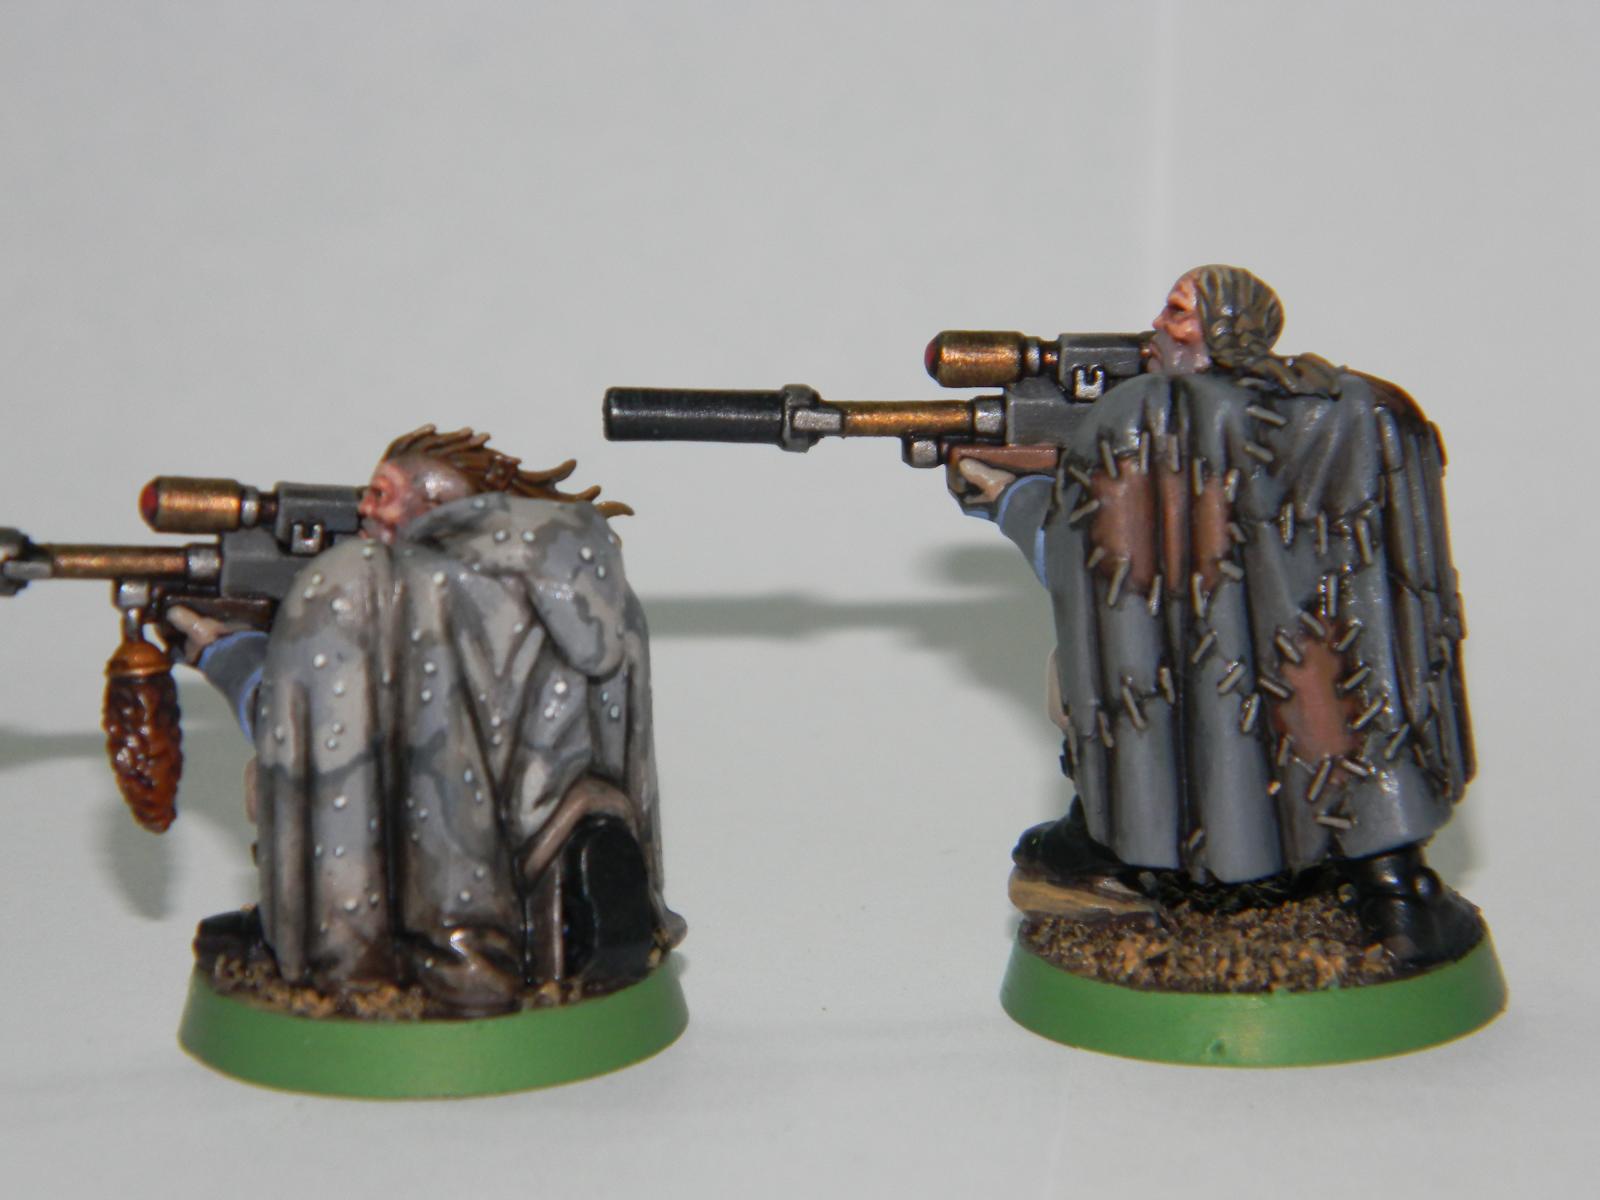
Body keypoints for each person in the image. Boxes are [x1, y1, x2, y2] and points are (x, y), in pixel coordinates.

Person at [951, 266, 1478, 970]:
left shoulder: (1142, 418)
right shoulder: (1354, 404)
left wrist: (1011, 500)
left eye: (1177, 312)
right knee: (1343, 730)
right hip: (1322, 644)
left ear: (1222, 328)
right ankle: (1394, 890)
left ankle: (1117, 840)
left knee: (1102, 694)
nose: (1158, 326)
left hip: (1230, 655)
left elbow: (1091, 565)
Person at [174, 425, 683, 1014]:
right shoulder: (585, 576)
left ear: (438, 503)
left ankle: (369, 964)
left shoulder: (390, 588)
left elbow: (313, 739)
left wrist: (227, 655)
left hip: (444, 894)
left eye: (381, 494)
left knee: (260, 783)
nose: (363, 510)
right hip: (566, 828)